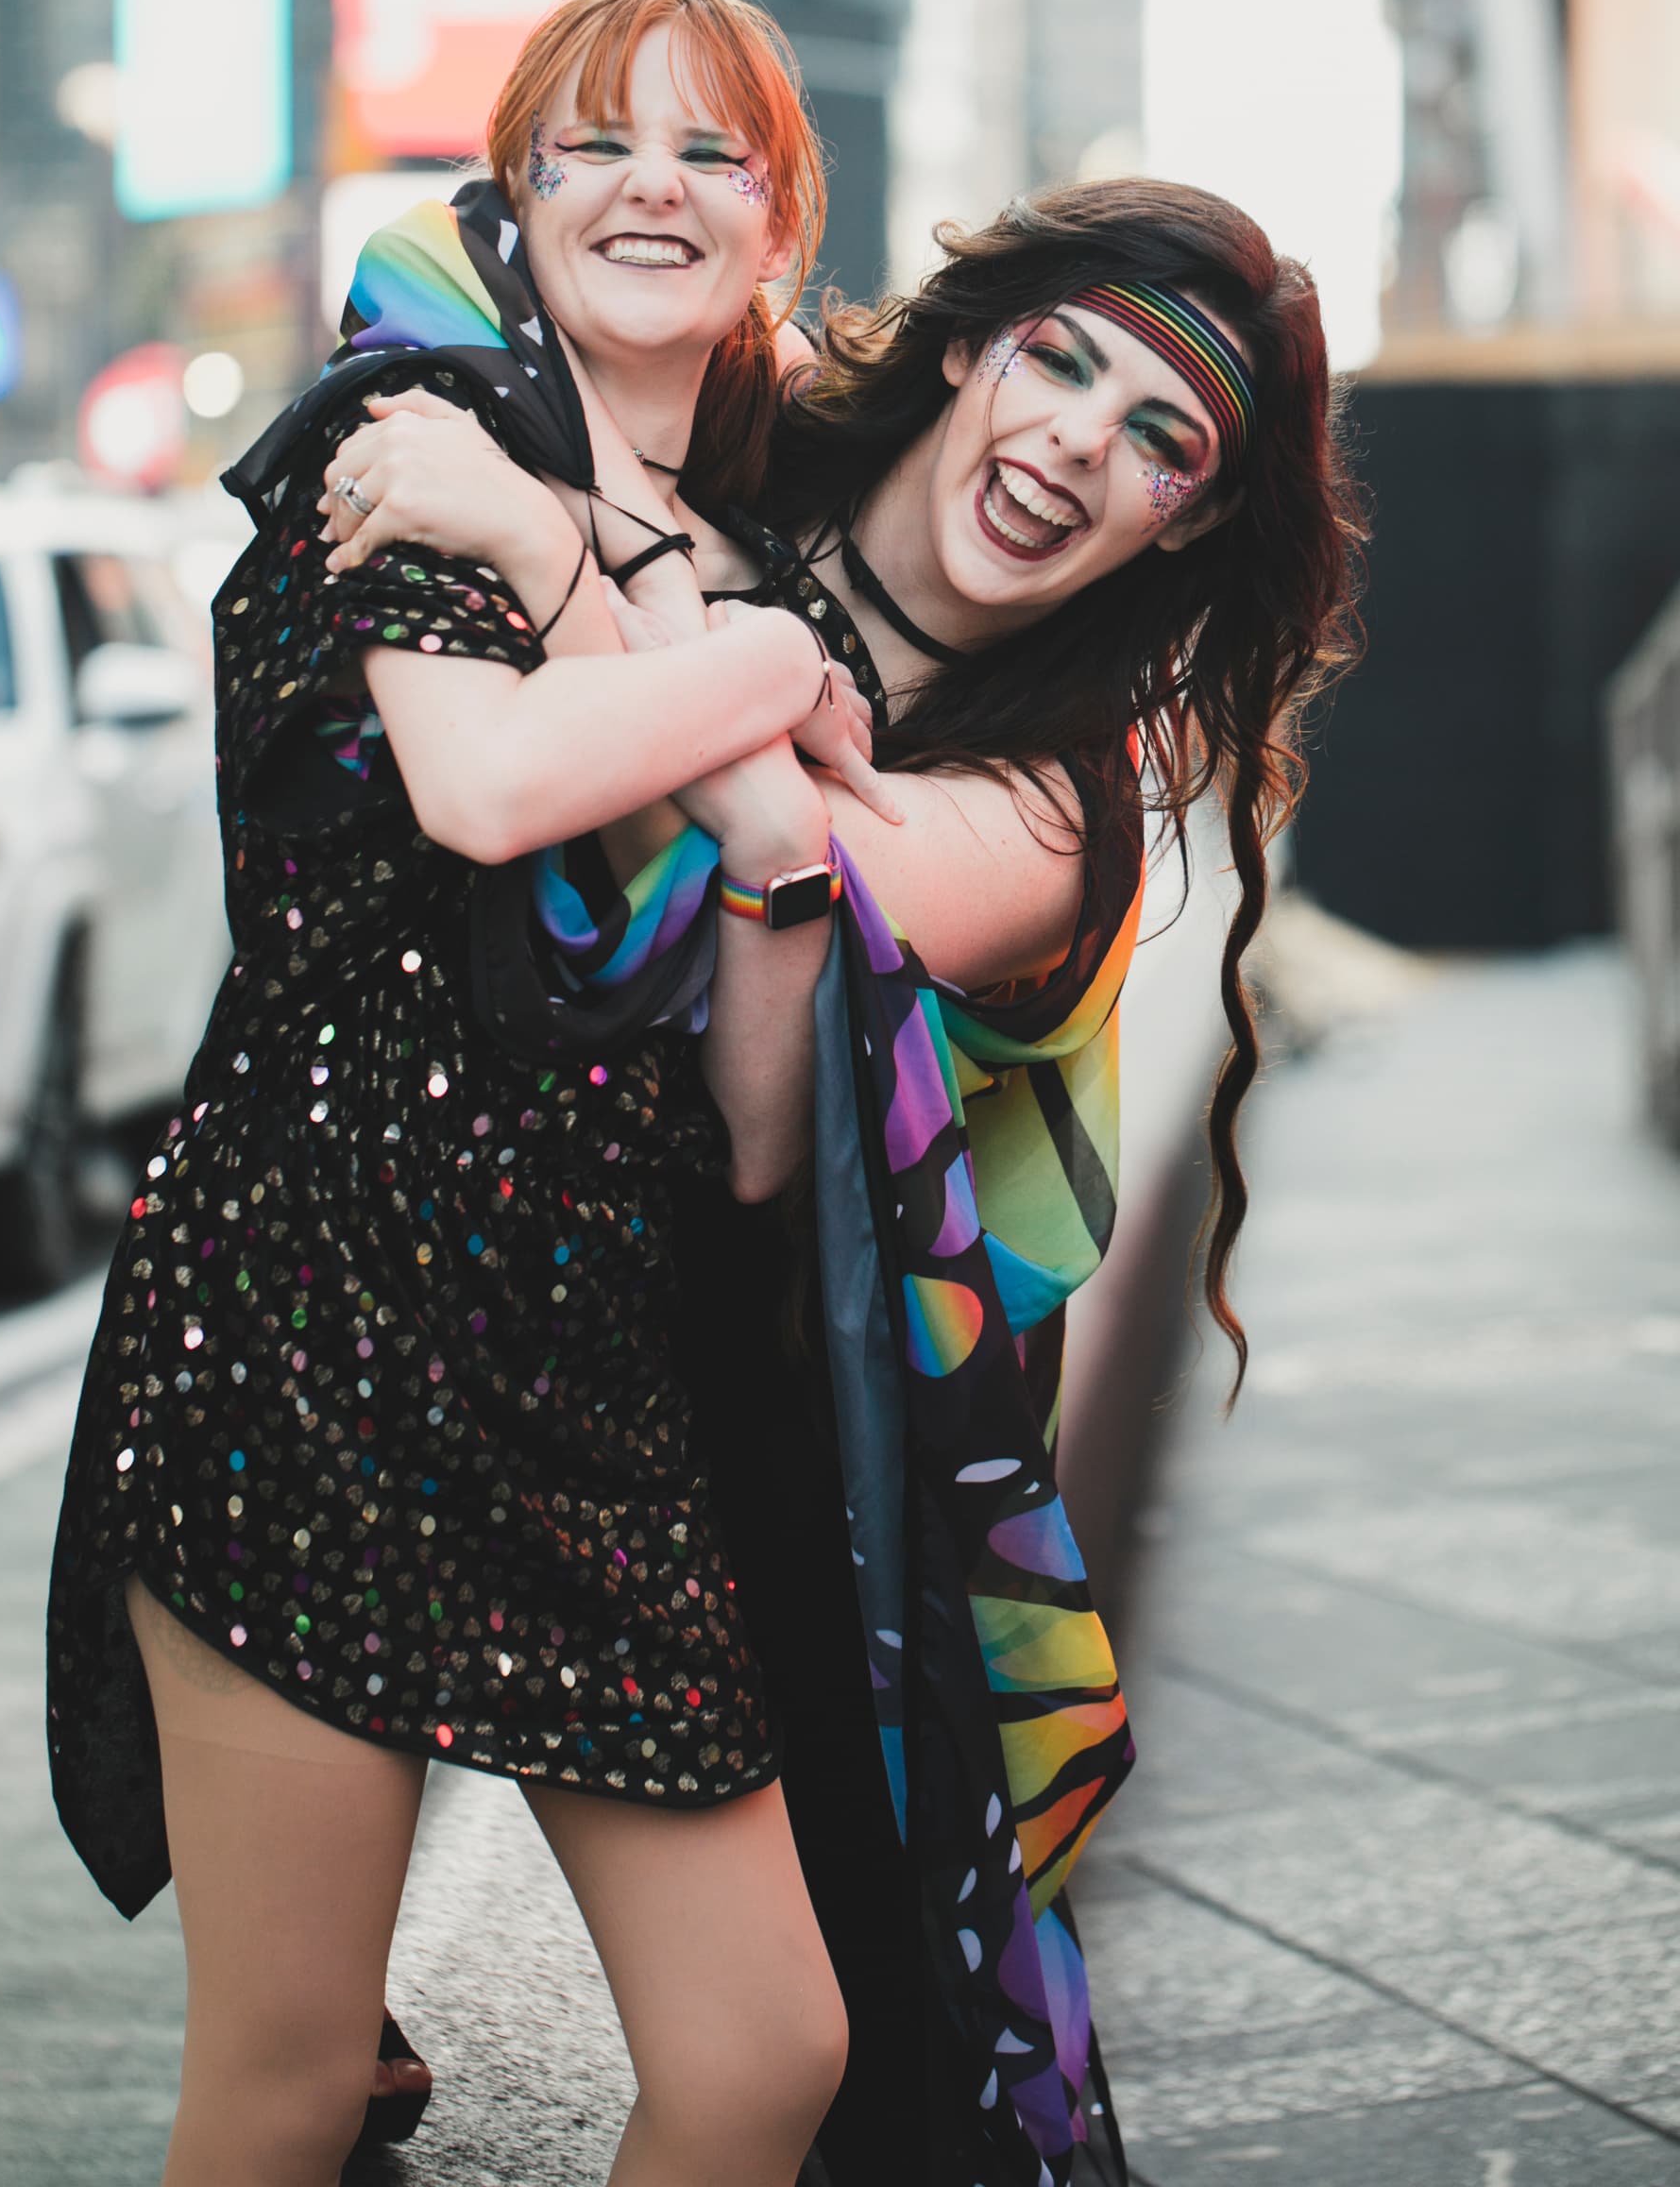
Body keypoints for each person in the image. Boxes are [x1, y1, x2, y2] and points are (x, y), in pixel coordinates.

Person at [318, 156, 1364, 2182]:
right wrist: (675, 580)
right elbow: (430, 250)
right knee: (310, 2065)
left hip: (769, 1478)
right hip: (417, 1321)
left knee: (850, 2092)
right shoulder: (727, 459)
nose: (1076, 444)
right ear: (972, 344)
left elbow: (759, 1003)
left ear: (1199, 516)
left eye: (1162, 438)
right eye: (1061, 362)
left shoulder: (1049, 808)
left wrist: (548, 544)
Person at [45, 0, 902, 2187]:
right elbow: (490, 783)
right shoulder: (406, 439)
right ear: (516, 197)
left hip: (577, 1381)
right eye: (594, 141)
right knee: (295, 2065)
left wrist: (751, 760)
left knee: (765, 2049)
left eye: (711, 150)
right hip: (305, 1327)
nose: (652, 184)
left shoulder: (736, 568)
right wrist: (765, 681)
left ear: (774, 226)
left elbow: (757, 1112)